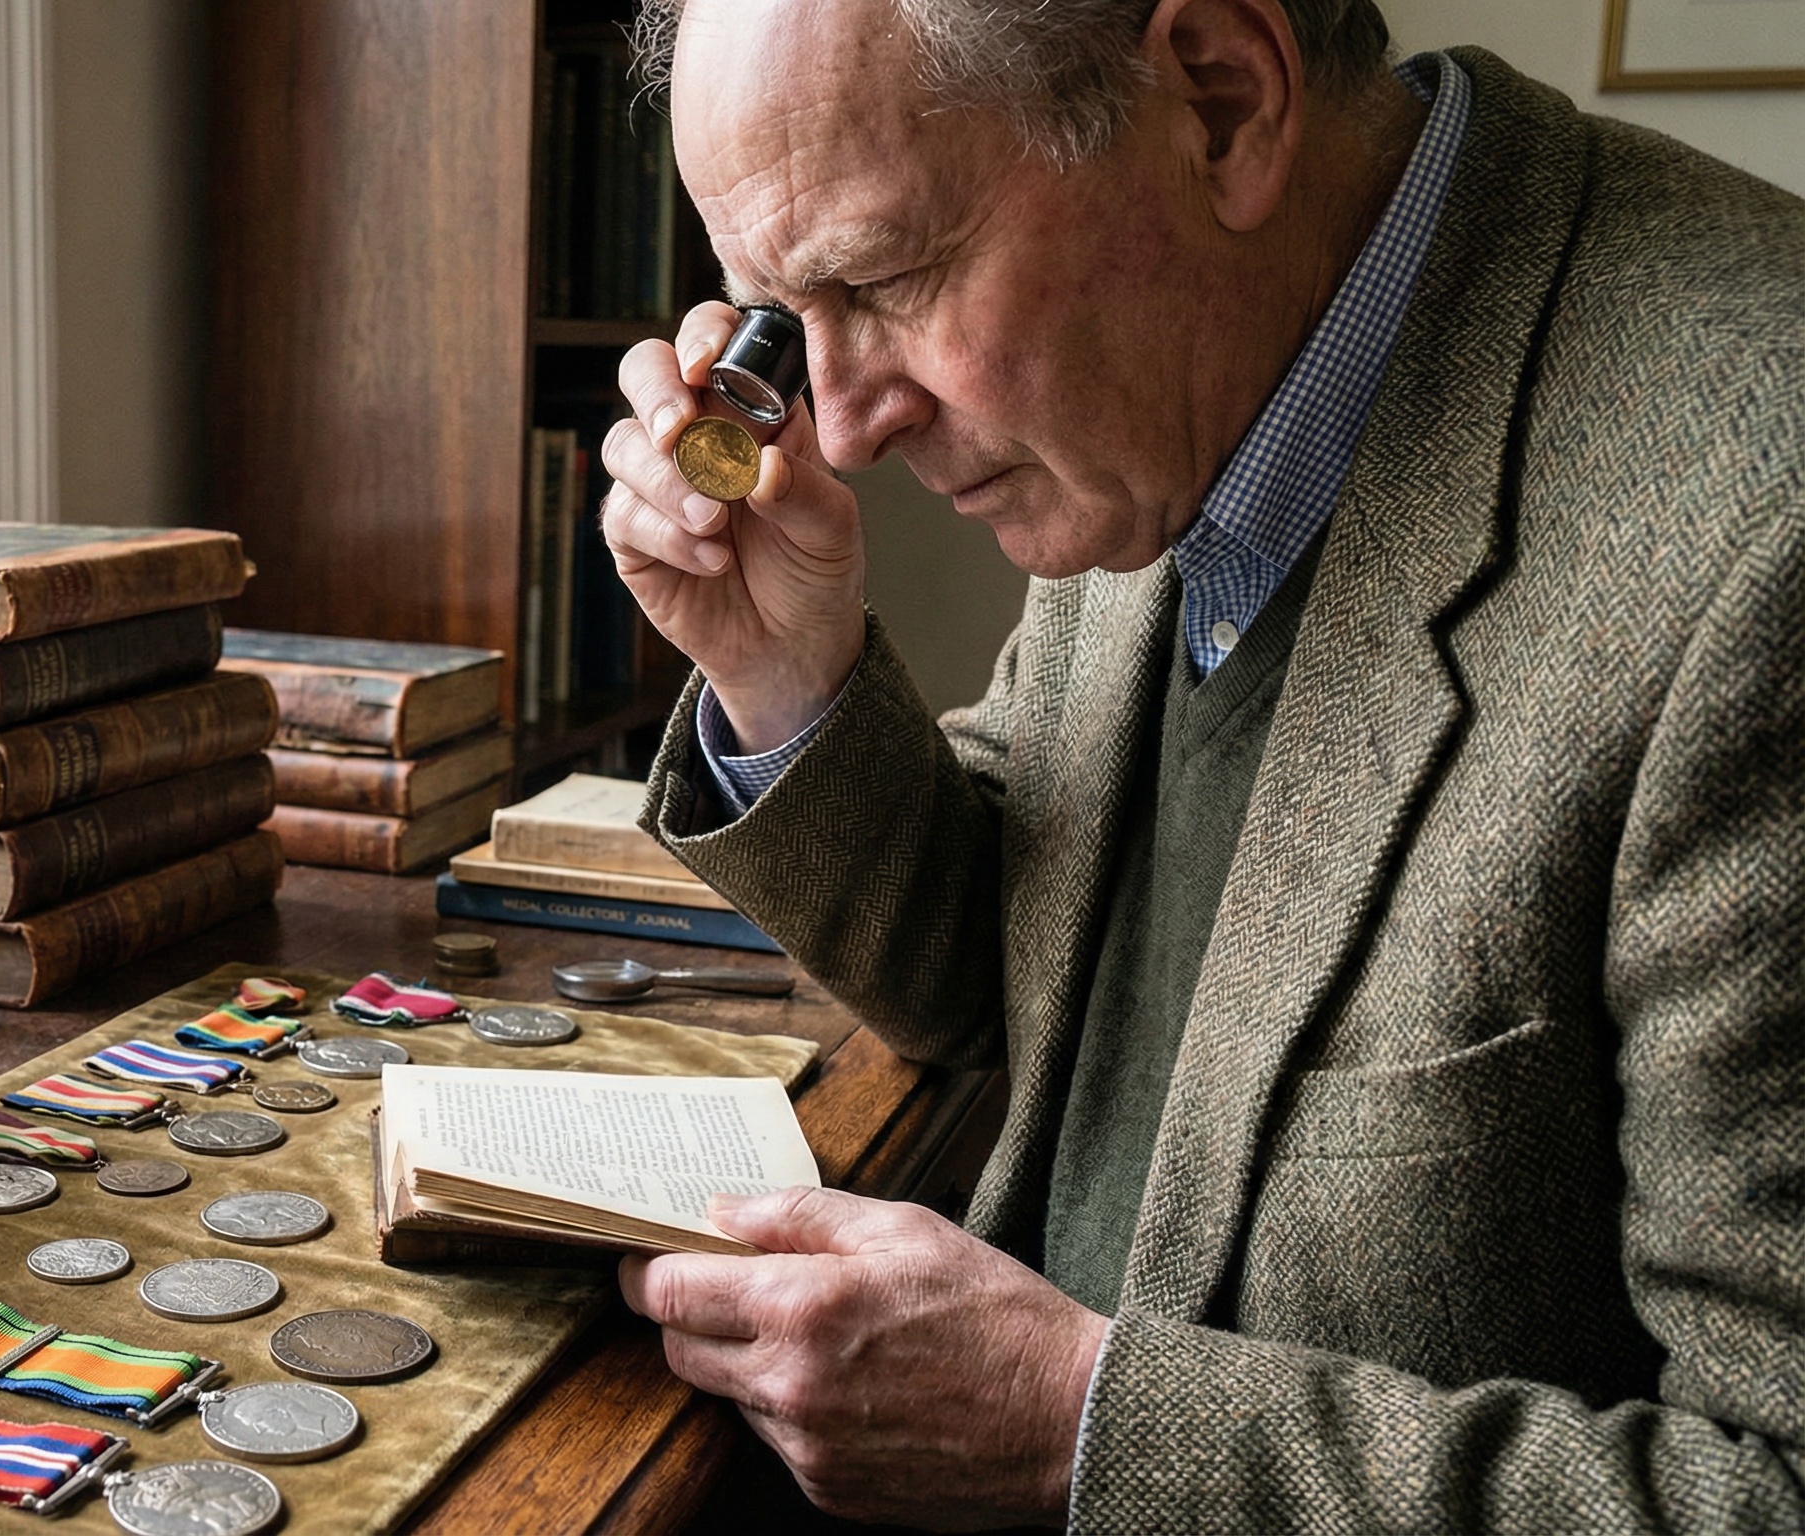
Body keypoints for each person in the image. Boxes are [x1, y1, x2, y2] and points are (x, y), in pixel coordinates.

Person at [598, 0, 1805, 1528]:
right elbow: (1019, 972)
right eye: (779, 316)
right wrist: (780, 671)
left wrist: (1081, 1429)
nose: (837, 429)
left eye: (884, 279)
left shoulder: (1764, 539)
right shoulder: (1189, 364)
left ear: (1223, 101)